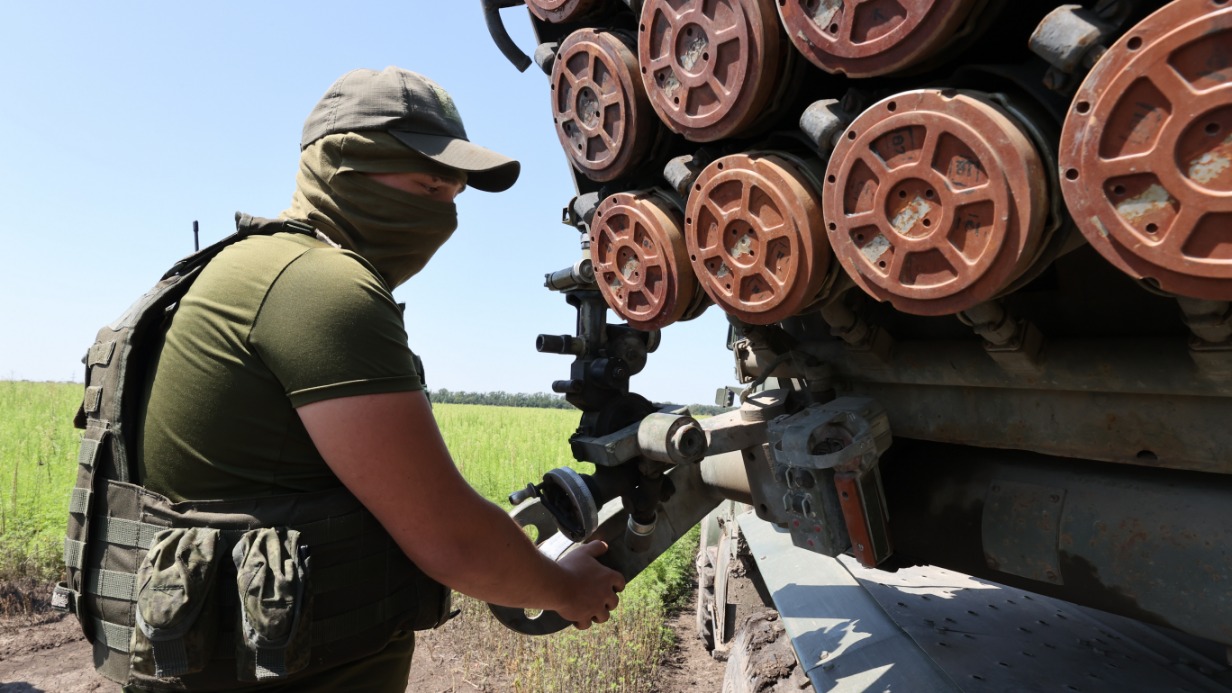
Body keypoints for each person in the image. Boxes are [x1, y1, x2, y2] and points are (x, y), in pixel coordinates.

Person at [62, 66, 625, 692]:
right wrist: (567, 588)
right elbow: (451, 537)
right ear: (345, 163)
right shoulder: (321, 287)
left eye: (451, 195)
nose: (442, 213)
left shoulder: (241, 267)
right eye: (427, 184)